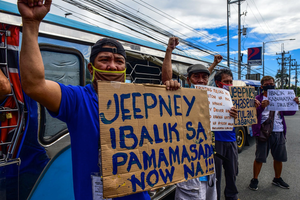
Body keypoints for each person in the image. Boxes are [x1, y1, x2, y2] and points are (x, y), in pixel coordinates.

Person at [17, 1, 178, 199]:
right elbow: (34, 85)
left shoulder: (140, 101)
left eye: (119, 61)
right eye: (104, 59)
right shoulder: (77, 100)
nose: (112, 66)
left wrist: (173, 93)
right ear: (91, 69)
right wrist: (31, 24)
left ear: (124, 69)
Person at [162, 37, 233, 200]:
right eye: (195, 77)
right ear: (188, 80)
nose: (201, 80)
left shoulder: (211, 97)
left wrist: (232, 114)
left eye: (204, 77)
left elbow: (201, 83)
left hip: (208, 165)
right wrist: (169, 51)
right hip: (188, 167)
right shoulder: (181, 96)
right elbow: (166, 80)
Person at [248, 76, 298, 191]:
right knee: (259, 158)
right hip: (263, 131)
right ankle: (255, 179)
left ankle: (277, 178)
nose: (270, 85)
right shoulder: (257, 98)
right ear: (262, 87)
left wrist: (294, 104)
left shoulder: (280, 97)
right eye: (267, 84)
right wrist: (261, 107)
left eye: (271, 83)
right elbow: (251, 114)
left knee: (279, 158)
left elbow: (289, 112)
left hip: (279, 131)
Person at [213, 69, 239, 200]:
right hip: (216, 141)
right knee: (215, 176)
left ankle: (232, 196)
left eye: (230, 81)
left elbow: (247, 116)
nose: (229, 84)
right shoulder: (210, 96)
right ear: (218, 83)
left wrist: (254, 106)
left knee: (232, 172)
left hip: (232, 139)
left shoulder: (237, 97)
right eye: (225, 82)